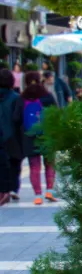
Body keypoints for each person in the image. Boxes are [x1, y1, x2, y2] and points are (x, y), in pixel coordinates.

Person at [20, 72, 56, 205]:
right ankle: (50, 191)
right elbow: (56, 114)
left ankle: (37, 196)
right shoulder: (47, 96)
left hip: (30, 136)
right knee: (49, 163)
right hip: (47, 134)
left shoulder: (22, 98)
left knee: (34, 167)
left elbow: (17, 118)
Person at [0, 70, 22, 206]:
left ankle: (3, 189)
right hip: (13, 137)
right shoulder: (16, 98)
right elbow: (19, 119)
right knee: (14, 164)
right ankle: (13, 188)